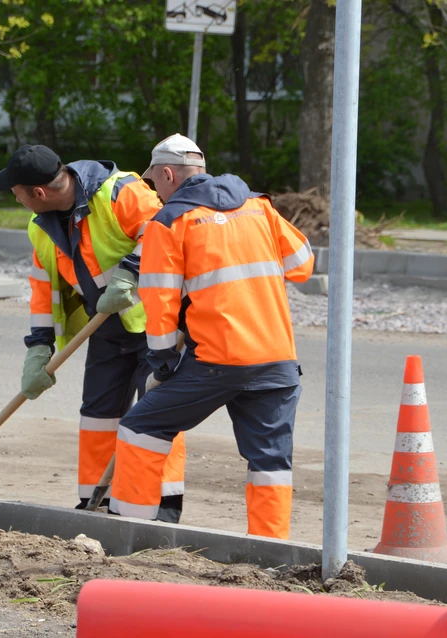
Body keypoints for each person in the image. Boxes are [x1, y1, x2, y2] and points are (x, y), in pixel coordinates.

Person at [108, 134, 314, 539]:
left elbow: (159, 300)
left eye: (155, 183)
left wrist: (163, 362)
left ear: (168, 174)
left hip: (218, 362)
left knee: (140, 428)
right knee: (270, 462)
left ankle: (129, 534)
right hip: (277, 359)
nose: (154, 191)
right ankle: (269, 553)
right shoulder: (260, 206)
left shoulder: (169, 222)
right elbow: (302, 266)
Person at [0, 144, 185, 522]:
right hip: (108, 328)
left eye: (17, 194)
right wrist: (39, 348)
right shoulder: (40, 227)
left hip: (157, 324)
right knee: (97, 413)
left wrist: (130, 270)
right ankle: (94, 502)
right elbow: (43, 290)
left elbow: (167, 228)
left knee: (155, 411)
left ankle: (162, 505)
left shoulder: (120, 192)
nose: (17, 200)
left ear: (39, 193)